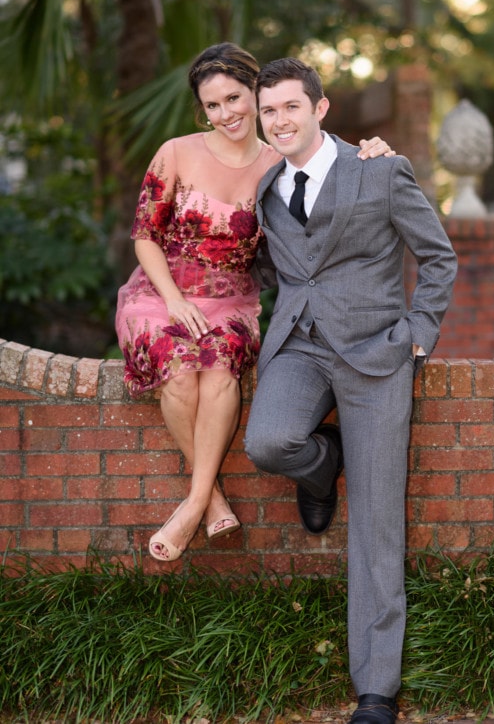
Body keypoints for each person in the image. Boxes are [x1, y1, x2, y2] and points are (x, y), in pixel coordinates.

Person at [115, 42, 394, 563]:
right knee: (178, 373)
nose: (226, 114)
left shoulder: (279, 164)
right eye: (212, 105)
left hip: (232, 299)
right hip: (160, 293)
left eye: (235, 98)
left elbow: (334, 169)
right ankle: (209, 499)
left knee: (219, 374)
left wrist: (374, 151)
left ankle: (194, 502)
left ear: (256, 93)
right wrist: (173, 301)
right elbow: (144, 235)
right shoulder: (175, 152)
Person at [244, 58, 457, 724]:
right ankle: (318, 462)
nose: (278, 121)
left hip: (376, 353)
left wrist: (417, 333)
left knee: (375, 519)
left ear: (320, 109)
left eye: (289, 108)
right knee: (269, 441)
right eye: (268, 111)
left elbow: (438, 255)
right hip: (301, 346)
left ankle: (375, 688)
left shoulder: (379, 170)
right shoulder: (267, 188)